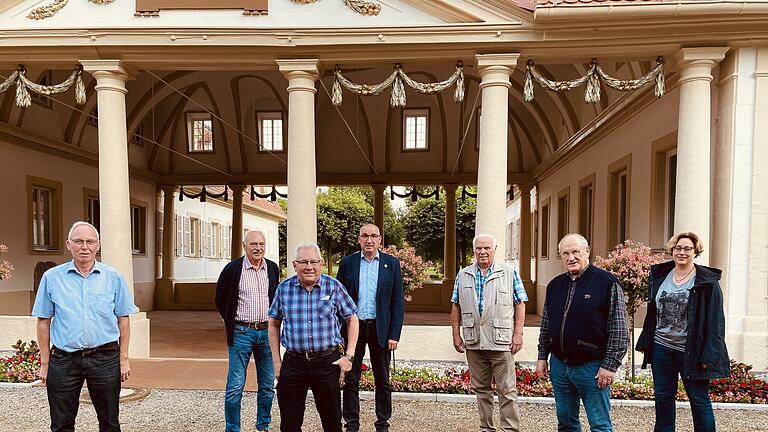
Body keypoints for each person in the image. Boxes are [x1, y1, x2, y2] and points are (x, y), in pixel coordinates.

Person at [32, 221, 138, 432]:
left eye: (90, 242)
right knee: (61, 424)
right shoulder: (52, 278)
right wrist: (45, 363)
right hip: (64, 360)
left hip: (105, 358)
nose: (84, 247)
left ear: (98, 245)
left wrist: (123, 359)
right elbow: (44, 320)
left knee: (109, 422)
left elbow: (123, 319)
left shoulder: (114, 277)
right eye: (78, 241)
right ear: (68, 244)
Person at [636, 232, 729, 432]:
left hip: (691, 351)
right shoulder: (660, 276)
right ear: (672, 250)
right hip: (662, 348)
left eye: (688, 249)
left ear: (696, 252)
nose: (682, 252)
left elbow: (716, 322)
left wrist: (709, 354)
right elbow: (653, 312)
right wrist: (646, 342)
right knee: (663, 397)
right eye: (678, 248)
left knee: (699, 400)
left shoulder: (707, 282)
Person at [536, 233, 628, 432]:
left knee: (600, 424)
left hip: (592, 368)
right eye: (566, 253)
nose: (571, 257)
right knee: (566, 423)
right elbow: (546, 324)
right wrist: (542, 356)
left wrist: (610, 366)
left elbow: (619, 329)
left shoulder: (607, 283)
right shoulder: (555, 285)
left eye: (576, 252)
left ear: (587, 251)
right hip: (560, 366)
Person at [268, 242, 360, 432]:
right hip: (293, 363)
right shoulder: (283, 289)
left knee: (332, 422)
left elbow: (352, 318)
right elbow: (274, 323)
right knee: (290, 424)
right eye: (303, 262)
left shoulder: (334, 287)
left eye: (314, 262)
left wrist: (349, 356)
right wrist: (277, 362)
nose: (309, 266)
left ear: (320, 264)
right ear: (294, 265)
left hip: (327, 363)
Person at [450, 233, 528, 432]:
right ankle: (487, 428)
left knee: (507, 390)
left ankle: (510, 429)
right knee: (481, 390)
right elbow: (456, 307)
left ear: (495, 249)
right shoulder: (463, 274)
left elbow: (520, 304)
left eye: (487, 248)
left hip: (501, 341)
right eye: (479, 248)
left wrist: (518, 333)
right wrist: (456, 335)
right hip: (474, 341)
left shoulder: (509, 272)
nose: (482, 252)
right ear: (474, 250)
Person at [337, 223, 404, 432]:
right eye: (365, 236)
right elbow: (338, 299)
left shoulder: (391, 264)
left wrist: (394, 334)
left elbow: (397, 302)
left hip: (380, 329)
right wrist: (339, 332)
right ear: (359, 239)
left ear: (380, 240)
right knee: (351, 379)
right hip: (353, 328)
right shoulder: (347, 263)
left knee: (383, 380)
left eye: (373, 236)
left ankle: (382, 424)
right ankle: (351, 424)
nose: (369, 240)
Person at [215, 230, 280, 432]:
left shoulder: (272, 268)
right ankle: (232, 428)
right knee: (235, 386)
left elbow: (275, 298)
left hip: (266, 334)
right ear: (245, 246)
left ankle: (263, 426)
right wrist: (232, 321)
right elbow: (220, 299)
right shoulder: (233, 269)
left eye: (261, 244)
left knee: (268, 385)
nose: (258, 248)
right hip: (241, 332)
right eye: (253, 244)